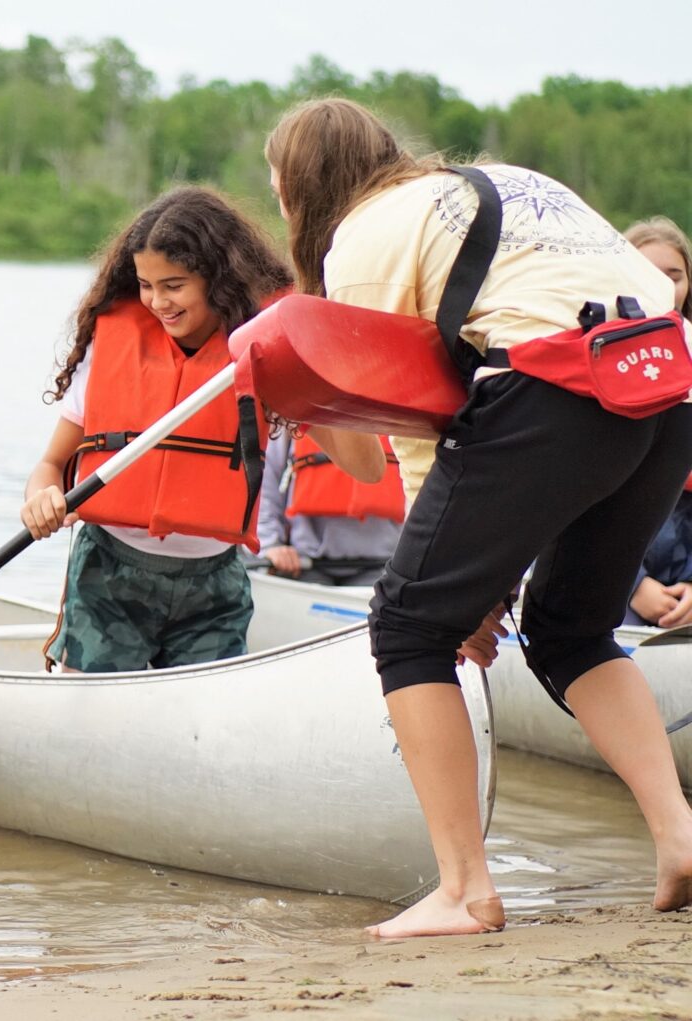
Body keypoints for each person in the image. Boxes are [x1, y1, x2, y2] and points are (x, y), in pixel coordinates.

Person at [265, 96, 692, 939]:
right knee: (570, 628)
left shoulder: (362, 235)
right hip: (666, 386)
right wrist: (481, 581)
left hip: (556, 391)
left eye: (277, 187)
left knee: (408, 625)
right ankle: (681, 832)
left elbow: (418, 426)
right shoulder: (505, 182)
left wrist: (459, 594)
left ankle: (463, 890)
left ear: (299, 190)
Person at [21, 186, 384, 672]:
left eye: (174, 285)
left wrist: (311, 371)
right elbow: (51, 465)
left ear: (219, 280)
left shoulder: (263, 351)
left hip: (213, 582)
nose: (156, 302)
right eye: (146, 284)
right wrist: (41, 497)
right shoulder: (114, 343)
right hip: (109, 574)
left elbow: (368, 468)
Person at [624, 217, 692, 627]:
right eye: (647, 273)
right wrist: (633, 585)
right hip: (609, 580)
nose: (664, 286)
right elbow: (562, 496)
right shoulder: (583, 358)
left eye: (675, 275)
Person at [257, 431, 403, 586]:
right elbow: (266, 479)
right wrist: (271, 545)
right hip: (302, 563)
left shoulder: (400, 416)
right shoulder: (296, 411)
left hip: (381, 566)